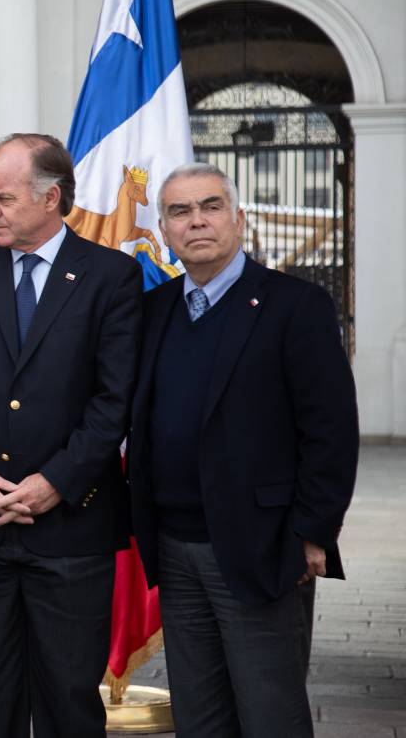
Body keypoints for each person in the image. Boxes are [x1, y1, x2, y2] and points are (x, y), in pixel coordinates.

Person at [127, 163, 358, 738]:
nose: (196, 221)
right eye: (179, 211)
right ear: (164, 229)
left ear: (239, 219)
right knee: (199, 717)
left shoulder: (295, 306)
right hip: (174, 548)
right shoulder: (154, 311)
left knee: (269, 713)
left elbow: (330, 430)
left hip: (262, 545)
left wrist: (314, 531)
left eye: (210, 206)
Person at [0, 134, 142, 737]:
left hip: (72, 530)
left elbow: (114, 401)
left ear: (51, 198)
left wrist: (56, 481)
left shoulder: (111, 277)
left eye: (3, 198)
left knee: (68, 704)